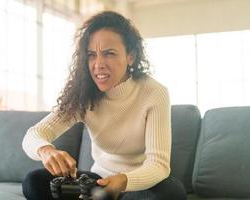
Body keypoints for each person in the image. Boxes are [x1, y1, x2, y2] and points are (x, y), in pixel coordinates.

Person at [22, 11, 186, 200]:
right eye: (92, 55)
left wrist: (123, 180)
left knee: (172, 193)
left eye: (109, 54)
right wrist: (46, 151)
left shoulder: (154, 92)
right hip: (99, 183)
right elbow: (34, 134)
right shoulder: (84, 94)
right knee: (34, 181)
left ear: (131, 56)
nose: (98, 64)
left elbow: (158, 165)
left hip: (138, 185)